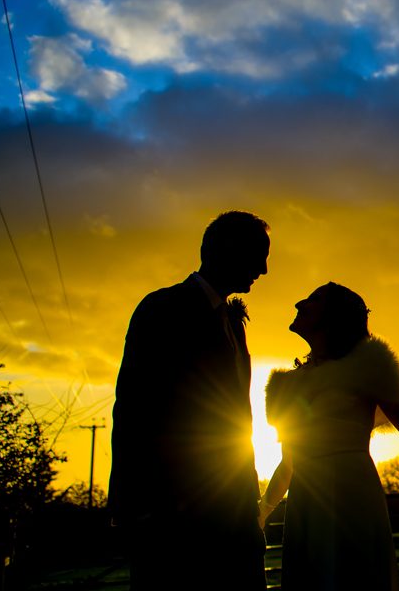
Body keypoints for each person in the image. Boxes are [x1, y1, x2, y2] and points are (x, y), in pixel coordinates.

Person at [262, 282, 399, 591]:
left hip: (352, 496)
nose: (300, 303)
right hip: (306, 503)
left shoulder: (366, 368)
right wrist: (261, 512)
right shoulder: (287, 384)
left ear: (333, 317)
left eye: (312, 300)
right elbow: (288, 463)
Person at [109, 211, 271, 591]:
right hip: (170, 513)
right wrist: (132, 507)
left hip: (232, 511)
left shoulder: (232, 323)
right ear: (229, 249)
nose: (263, 270)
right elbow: (133, 406)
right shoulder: (163, 308)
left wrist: (249, 510)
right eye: (259, 255)